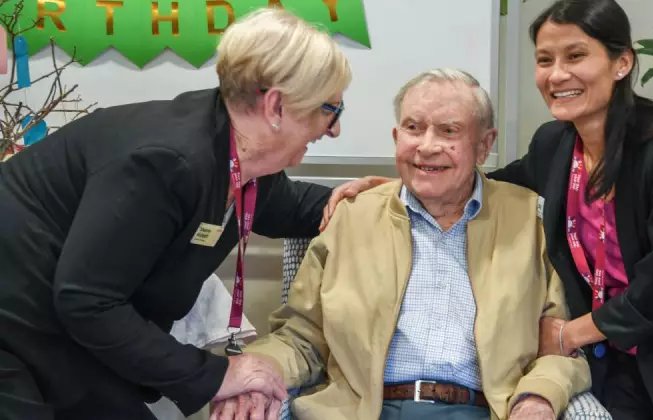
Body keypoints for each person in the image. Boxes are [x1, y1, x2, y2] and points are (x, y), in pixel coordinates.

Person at [320, 1, 653, 419]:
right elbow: (486, 183)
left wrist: (569, 334)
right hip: (621, 369)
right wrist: (401, 185)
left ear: (622, 62)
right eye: (545, 60)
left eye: (575, 56)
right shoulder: (555, 143)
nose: (557, 74)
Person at [0, 7, 349, 420]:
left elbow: (282, 206)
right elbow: (87, 301)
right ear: (275, 107)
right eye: (330, 110)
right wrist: (216, 375)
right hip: (17, 326)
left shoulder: (240, 154)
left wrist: (346, 201)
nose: (334, 130)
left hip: (59, 329)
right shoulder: (168, 162)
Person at [211, 68, 591, 420]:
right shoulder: (353, 216)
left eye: (448, 131)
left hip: (480, 410)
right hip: (359, 411)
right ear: (397, 138)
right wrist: (256, 375)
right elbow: (302, 336)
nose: (427, 146)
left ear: (483, 145)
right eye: (413, 127)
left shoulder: (529, 221)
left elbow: (559, 344)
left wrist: (539, 396)